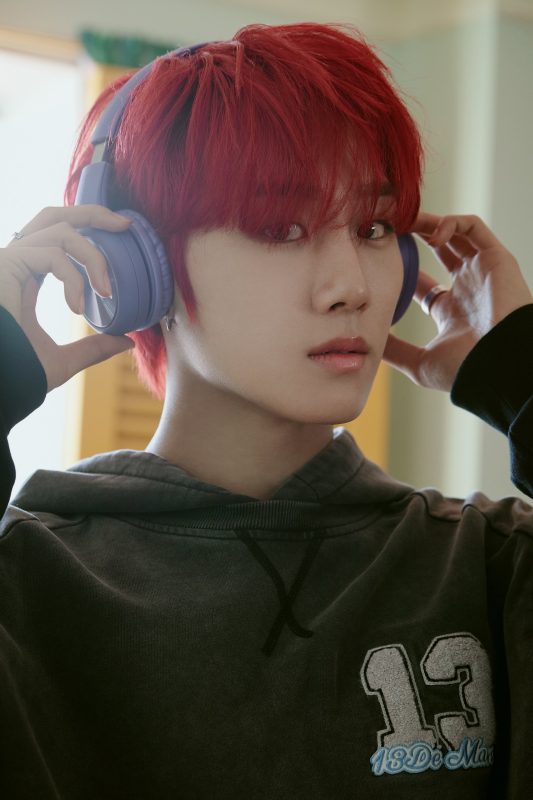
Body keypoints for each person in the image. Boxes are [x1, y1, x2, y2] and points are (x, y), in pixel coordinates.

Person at [0, 21, 532, 800]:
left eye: (373, 227)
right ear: (132, 266)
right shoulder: (27, 581)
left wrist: (519, 373)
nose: (352, 286)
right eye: (280, 228)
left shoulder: (489, 564)